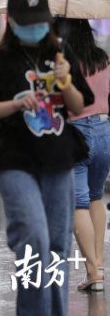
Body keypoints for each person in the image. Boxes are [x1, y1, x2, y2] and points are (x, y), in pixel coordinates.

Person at [0, 0, 93, 316]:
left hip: (58, 160)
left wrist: (66, 82)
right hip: (15, 161)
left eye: (41, 21)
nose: (36, 28)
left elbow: (79, 106)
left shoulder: (61, 54)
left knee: (56, 249)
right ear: (12, 21)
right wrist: (14, 104)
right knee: (33, 239)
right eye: (28, 21)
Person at [55, 18, 110, 291]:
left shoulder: (62, 63)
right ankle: (98, 263)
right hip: (104, 129)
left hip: (75, 134)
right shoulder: (102, 59)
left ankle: (93, 273)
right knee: (96, 196)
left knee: (78, 203)